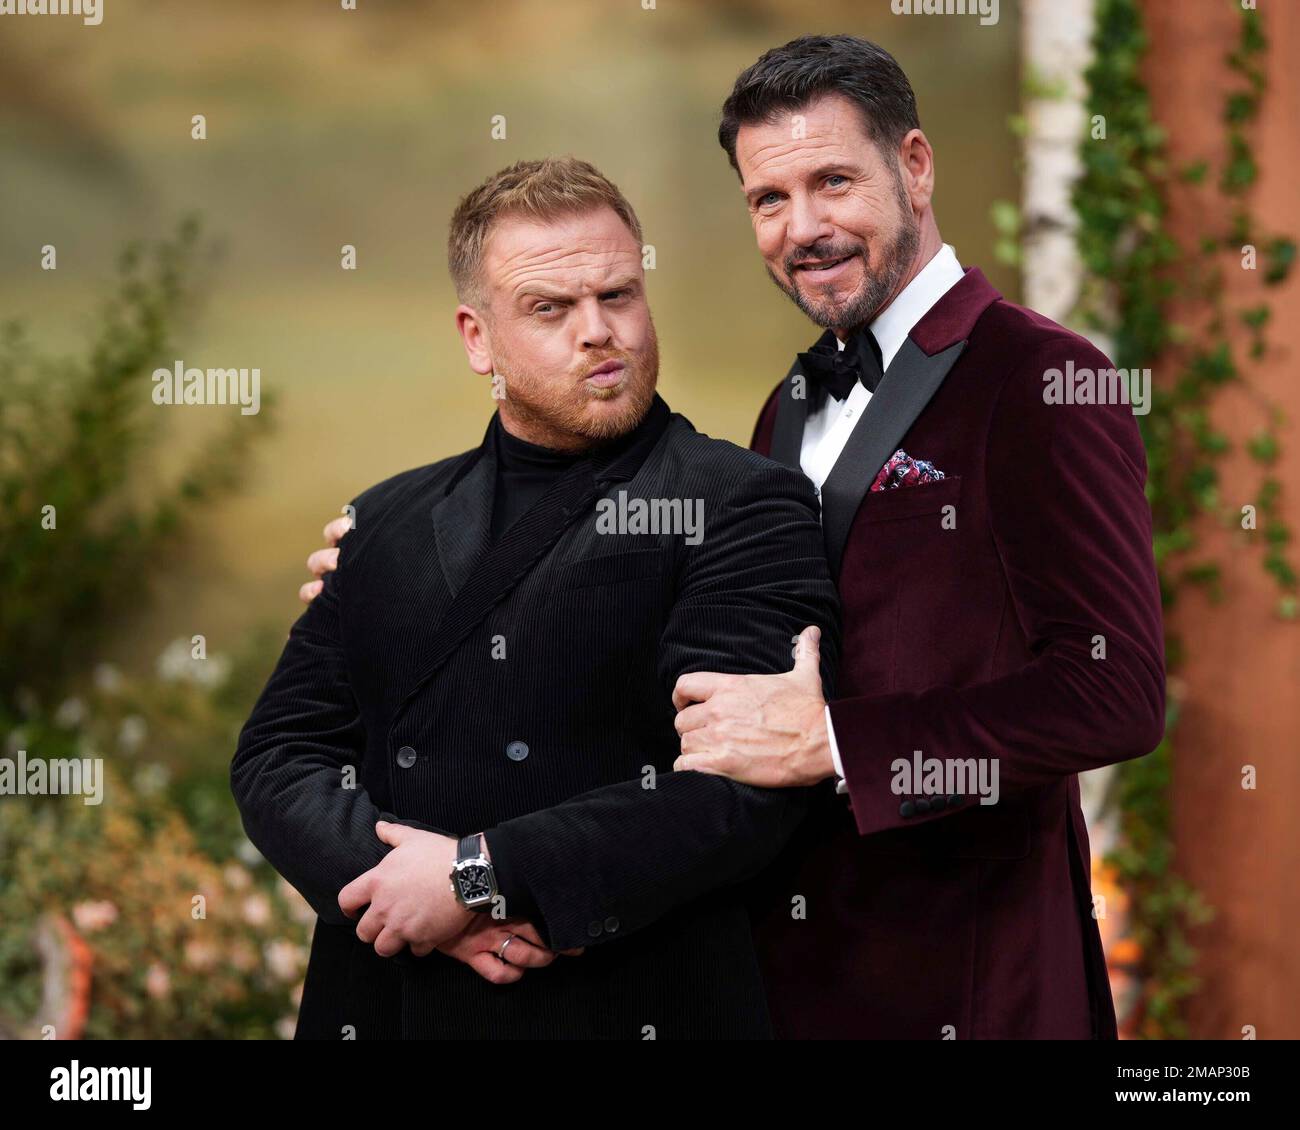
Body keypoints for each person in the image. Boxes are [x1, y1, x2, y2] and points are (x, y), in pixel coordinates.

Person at [232, 156, 839, 1039]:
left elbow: (734, 793)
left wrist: (475, 878)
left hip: (622, 1002)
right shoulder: (385, 517)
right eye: (551, 308)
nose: (599, 331)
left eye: (619, 296)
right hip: (386, 1001)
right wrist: (404, 893)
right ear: (477, 338)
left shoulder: (740, 499)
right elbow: (277, 755)